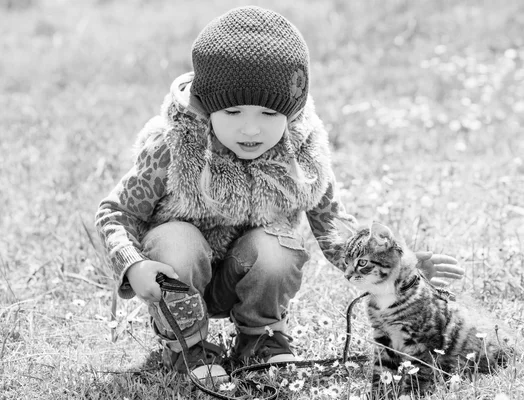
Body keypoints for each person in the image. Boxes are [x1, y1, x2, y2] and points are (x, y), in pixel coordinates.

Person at [95, 6, 463, 382]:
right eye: (233, 111)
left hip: (251, 277)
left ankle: (261, 337)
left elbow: (333, 227)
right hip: (179, 279)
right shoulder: (174, 145)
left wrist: (399, 267)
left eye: (270, 114)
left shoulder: (303, 155)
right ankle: (187, 345)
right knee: (178, 239)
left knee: (277, 246)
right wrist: (132, 263)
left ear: (292, 111)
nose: (250, 129)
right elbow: (115, 212)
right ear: (205, 106)